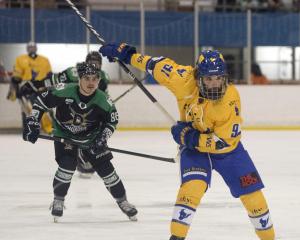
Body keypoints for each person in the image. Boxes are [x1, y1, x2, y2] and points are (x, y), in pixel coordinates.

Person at [99, 43, 275, 240]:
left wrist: (186, 137)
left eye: (219, 79)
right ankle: (177, 237)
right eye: (209, 79)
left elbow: (221, 143)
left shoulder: (230, 99)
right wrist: (127, 55)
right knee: (192, 189)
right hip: (194, 150)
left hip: (229, 151)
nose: (215, 84)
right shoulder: (181, 78)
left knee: (253, 195)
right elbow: (154, 64)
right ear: (198, 77)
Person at [22, 62, 138, 222]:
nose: (91, 82)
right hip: (65, 135)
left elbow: (111, 122)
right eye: (87, 78)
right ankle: (58, 200)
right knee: (67, 166)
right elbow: (41, 102)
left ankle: (123, 201)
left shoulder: (104, 101)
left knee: (108, 171)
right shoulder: (63, 91)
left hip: (92, 138)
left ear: (99, 80)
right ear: (79, 79)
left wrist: (102, 137)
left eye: (94, 79)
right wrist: (33, 121)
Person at [7, 41, 53, 134]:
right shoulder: (20, 59)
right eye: (30, 47)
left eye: (33, 47)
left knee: (45, 108)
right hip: (27, 88)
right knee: (27, 109)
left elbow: (49, 74)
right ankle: (27, 129)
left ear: (36, 48)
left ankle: (49, 128)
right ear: (27, 48)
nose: (31, 49)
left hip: (41, 87)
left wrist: (50, 86)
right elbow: (17, 75)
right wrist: (16, 87)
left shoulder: (44, 60)